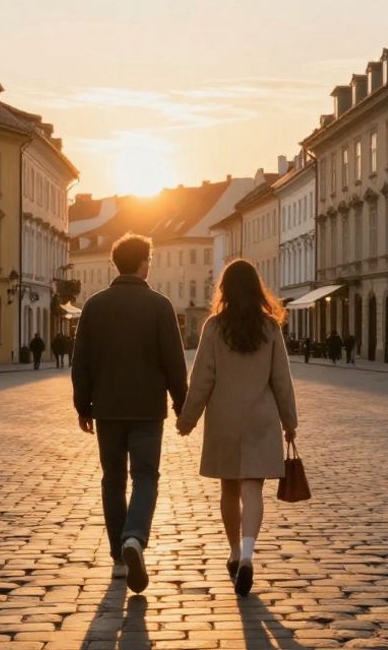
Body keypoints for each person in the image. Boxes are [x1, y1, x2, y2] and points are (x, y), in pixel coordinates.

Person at [72, 234, 187, 594]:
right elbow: (174, 361)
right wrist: (181, 403)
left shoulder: (94, 305)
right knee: (146, 478)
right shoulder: (159, 305)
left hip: (107, 408)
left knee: (112, 480)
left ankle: (119, 559)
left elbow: (81, 361)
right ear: (143, 263)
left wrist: (82, 404)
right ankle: (134, 537)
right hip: (147, 409)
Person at [176, 260, 297, 598]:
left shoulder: (214, 327)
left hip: (225, 420)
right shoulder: (270, 328)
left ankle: (232, 551)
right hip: (261, 418)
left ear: (224, 289)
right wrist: (290, 422)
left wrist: (188, 420)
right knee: (252, 490)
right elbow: (281, 381)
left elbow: (202, 379)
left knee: (228, 490)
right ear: (257, 288)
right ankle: (247, 554)